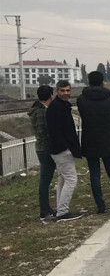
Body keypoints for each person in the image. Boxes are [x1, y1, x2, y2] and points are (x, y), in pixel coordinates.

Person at [77, 70, 110, 214]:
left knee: (94, 174)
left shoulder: (81, 99)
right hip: (107, 138)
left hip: (89, 139)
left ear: (89, 81)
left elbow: (82, 114)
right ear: (102, 82)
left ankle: (100, 206)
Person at [45, 80, 83, 222]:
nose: (66, 93)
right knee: (71, 179)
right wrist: (66, 146)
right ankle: (62, 212)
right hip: (62, 150)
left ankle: (60, 209)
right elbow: (55, 131)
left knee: (62, 180)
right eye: (62, 91)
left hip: (61, 149)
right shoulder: (56, 108)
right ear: (57, 91)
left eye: (68, 90)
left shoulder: (60, 106)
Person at [27, 85, 57, 221]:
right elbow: (42, 132)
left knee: (46, 179)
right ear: (50, 95)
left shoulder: (40, 110)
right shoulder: (40, 112)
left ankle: (46, 208)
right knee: (45, 180)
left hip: (43, 148)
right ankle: (44, 210)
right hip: (45, 148)